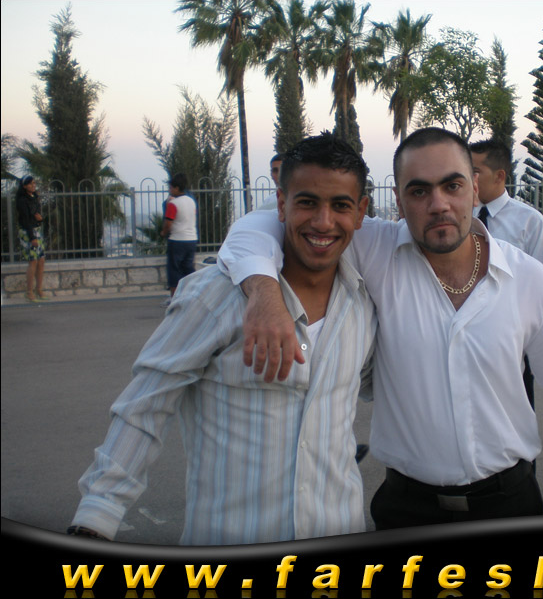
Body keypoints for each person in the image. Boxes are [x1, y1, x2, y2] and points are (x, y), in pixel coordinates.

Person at [218, 127, 543, 530]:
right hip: (406, 510)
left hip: (509, 503)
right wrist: (264, 291)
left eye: (452, 186)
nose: (438, 204)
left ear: (475, 188)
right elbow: (258, 225)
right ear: (398, 202)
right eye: (419, 191)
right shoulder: (374, 250)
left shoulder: (528, 279)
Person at [67, 134, 376, 544]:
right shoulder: (214, 297)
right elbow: (146, 404)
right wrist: (97, 515)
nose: (323, 221)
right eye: (307, 202)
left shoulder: (363, 305)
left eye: (340, 205)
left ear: (361, 212)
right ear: (281, 204)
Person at [469, 139, 543, 419]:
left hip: (511, 339)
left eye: (475, 171)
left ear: (499, 176)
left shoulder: (530, 221)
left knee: (515, 417)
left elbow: (540, 290)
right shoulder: (460, 219)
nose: (468, 178)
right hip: (465, 334)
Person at [161, 173, 198, 301]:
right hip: (191, 239)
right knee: (188, 268)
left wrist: (163, 233)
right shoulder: (191, 201)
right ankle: (193, 295)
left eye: (171, 187)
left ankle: (174, 298)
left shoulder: (173, 204)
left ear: (177, 188)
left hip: (177, 240)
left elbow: (168, 223)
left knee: (174, 270)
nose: (169, 190)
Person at [15, 175, 48, 302]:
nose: (33, 185)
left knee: (41, 260)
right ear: (24, 186)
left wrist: (40, 219)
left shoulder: (34, 197)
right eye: (30, 184)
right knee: (33, 261)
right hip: (28, 232)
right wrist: (32, 237)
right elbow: (25, 219)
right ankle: (29, 292)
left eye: (34, 183)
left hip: (36, 230)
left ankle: (39, 289)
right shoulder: (22, 200)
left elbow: (37, 215)